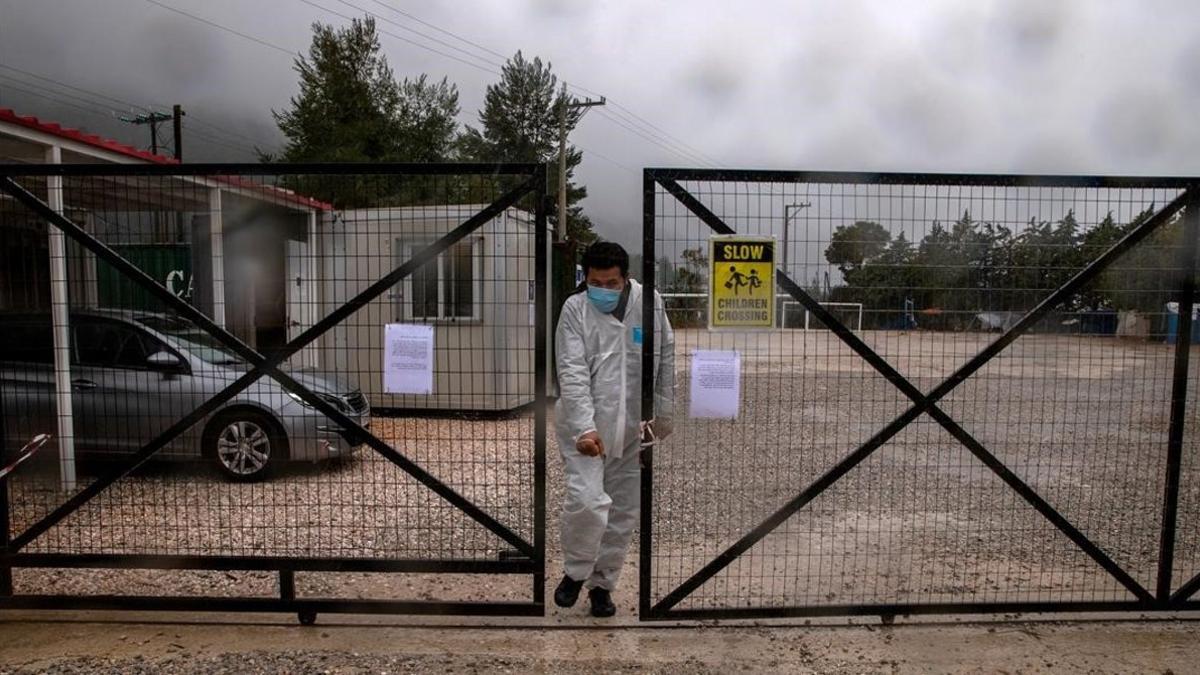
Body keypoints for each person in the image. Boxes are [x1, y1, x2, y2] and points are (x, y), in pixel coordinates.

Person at [553, 241, 675, 617]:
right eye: (595, 282)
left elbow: (666, 353)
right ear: (584, 278)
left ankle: (602, 587)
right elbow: (571, 373)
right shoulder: (575, 310)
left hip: (633, 429)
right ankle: (575, 571)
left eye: (611, 282)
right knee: (587, 501)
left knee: (622, 513)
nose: (603, 289)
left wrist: (665, 412)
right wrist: (585, 429)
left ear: (626, 278)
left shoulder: (649, 302)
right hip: (587, 430)